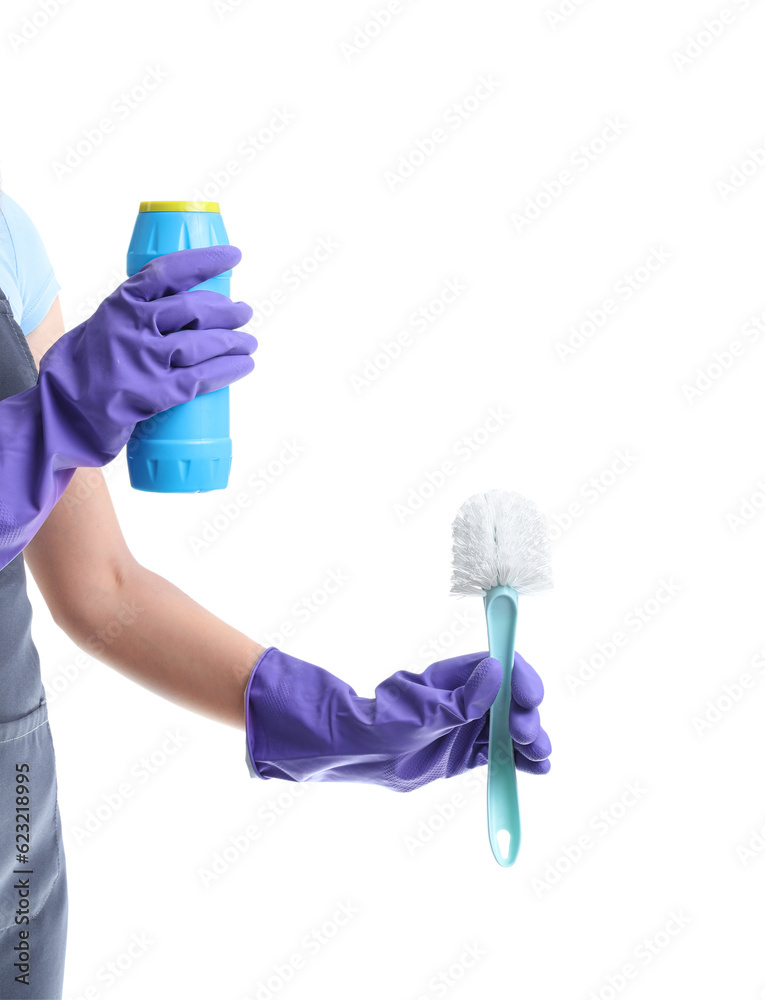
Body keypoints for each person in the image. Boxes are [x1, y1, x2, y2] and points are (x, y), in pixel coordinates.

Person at [0, 191, 551, 999]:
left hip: (13, 822)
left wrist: (323, 718)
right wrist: (52, 423)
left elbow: (99, 586)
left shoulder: (6, 234)